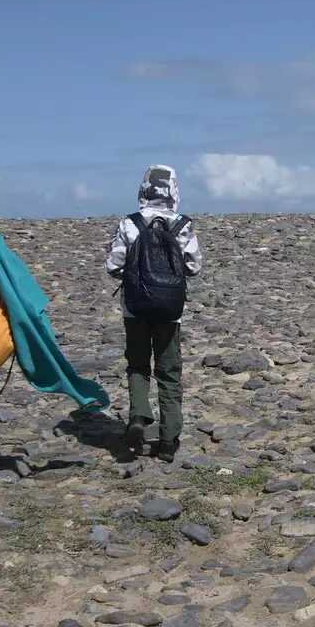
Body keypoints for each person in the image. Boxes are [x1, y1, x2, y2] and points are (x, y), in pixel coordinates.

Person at [104, 164, 202, 462]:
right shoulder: (182, 225)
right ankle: (169, 439)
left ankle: (138, 418)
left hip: (135, 308)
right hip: (169, 310)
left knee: (137, 365)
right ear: (173, 190)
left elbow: (113, 265)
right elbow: (194, 267)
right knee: (169, 371)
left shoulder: (129, 224)